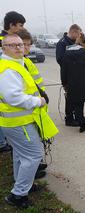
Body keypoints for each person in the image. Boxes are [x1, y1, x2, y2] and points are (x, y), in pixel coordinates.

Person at [0, 34, 58, 208]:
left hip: (17, 122)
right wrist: (37, 101)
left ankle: (24, 185)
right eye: (13, 45)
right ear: (4, 48)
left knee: (20, 155)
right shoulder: (9, 69)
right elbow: (13, 97)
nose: (18, 48)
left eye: (20, 44)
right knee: (33, 156)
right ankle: (17, 195)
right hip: (19, 122)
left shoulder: (14, 63)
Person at [17, 28, 49, 178]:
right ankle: (21, 191)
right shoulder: (16, 65)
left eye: (29, 45)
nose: (27, 48)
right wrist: (38, 100)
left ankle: (33, 169)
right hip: (26, 111)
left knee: (27, 150)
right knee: (29, 152)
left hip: (36, 104)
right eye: (24, 44)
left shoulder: (25, 60)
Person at [0, 11, 26, 153]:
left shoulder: (11, 39)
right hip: (7, 87)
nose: (21, 28)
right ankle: (3, 143)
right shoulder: (3, 41)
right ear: (11, 25)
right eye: (20, 25)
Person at [56, 24, 85, 126]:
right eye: (79, 34)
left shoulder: (75, 42)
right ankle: (69, 118)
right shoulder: (62, 43)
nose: (80, 36)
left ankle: (79, 116)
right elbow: (60, 59)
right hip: (69, 75)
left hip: (78, 75)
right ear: (73, 32)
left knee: (79, 96)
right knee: (70, 98)